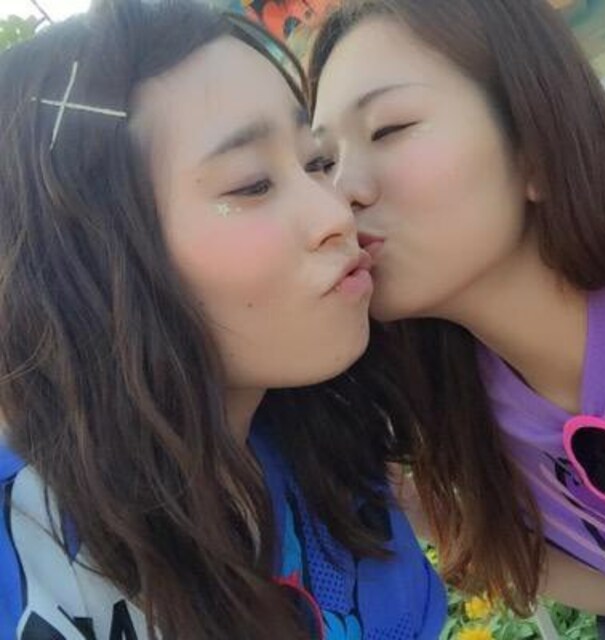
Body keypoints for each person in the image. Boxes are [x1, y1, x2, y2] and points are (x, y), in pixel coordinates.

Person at [0, 1, 446, 638]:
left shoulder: (330, 454)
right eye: (252, 184)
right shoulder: (28, 565)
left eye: (316, 161)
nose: (336, 215)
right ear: (88, 259)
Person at [309, 0, 605, 637]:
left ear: (536, 146)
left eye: (388, 128)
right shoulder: (459, 409)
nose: (340, 193)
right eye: (322, 163)